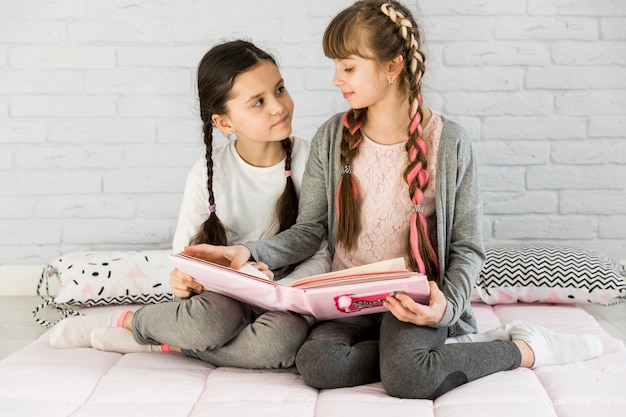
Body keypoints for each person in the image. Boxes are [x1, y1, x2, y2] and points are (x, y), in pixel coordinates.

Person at [181, 1, 604, 399]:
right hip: (347, 297)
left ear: (392, 66)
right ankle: (412, 357)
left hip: (415, 299)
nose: (335, 80)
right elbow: (309, 231)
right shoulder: (333, 137)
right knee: (317, 365)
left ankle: (522, 348)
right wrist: (246, 252)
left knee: (409, 378)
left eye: (347, 67)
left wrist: (447, 307)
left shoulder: (450, 142)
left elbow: (467, 247)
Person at [48, 39, 331, 370]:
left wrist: (285, 291)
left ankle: (166, 345)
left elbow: (319, 245)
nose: (278, 107)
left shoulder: (311, 159)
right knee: (207, 323)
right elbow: (187, 257)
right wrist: (184, 279)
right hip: (224, 295)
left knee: (280, 346)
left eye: (280, 90)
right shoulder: (208, 174)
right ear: (225, 123)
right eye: (258, 102)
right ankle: (133, 321)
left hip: (286, 293)